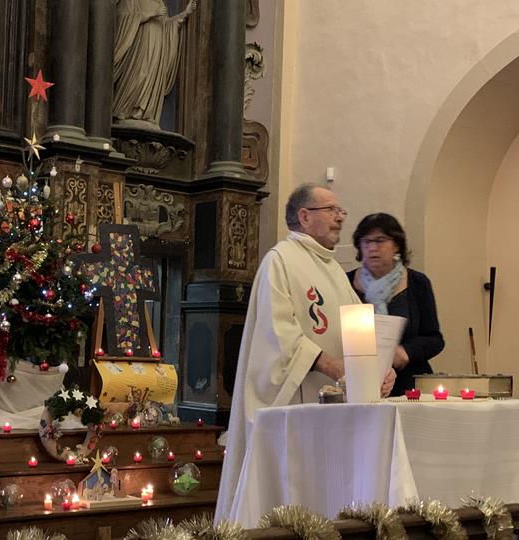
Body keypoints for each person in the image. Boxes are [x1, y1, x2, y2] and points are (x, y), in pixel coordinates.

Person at [215, 184, 396, 523]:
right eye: (331, 210)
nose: (340, 218)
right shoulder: (279, 261)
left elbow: (360, 328)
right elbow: (278, 333)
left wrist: (379, 367)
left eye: (339, 211)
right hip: (295, 405)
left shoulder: (332, 270)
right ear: (304, 216)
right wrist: (332, 367)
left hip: (331, 409)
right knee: (295, 499)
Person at [347, 213, 444, 396]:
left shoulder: (417, 282)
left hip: (410, 385)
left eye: (380, 240)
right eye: (366, 241)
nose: (372, 248)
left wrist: (405, 352)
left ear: (397, 244)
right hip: (362, 383)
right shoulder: (346, 282)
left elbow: (434, 339)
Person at [113, 0, 197, 128]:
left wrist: (186, 12)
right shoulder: (132, 1)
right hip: (139, 49)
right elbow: (122, 18)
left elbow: (168, 26)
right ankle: (125, 109)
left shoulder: (160, 3)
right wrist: (152, 14)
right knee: (139, 75)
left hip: (157, 50)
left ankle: (144, 112)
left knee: (150, 76)